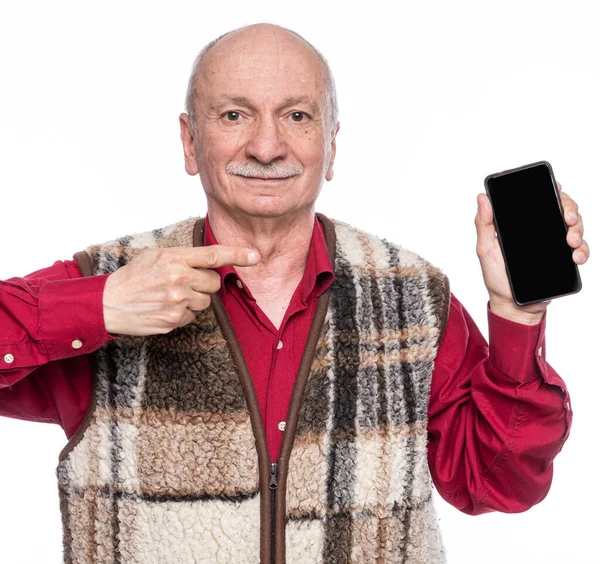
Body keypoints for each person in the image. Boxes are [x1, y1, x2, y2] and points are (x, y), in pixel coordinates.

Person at [0, 22, 589, 564]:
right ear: (188, 141)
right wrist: (101, 305)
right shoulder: (110, 281)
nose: (266, 146)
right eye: (234, 115)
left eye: (298, 116)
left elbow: (499, 483)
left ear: (331, 144)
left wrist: (517, 312)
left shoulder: (413, 298)